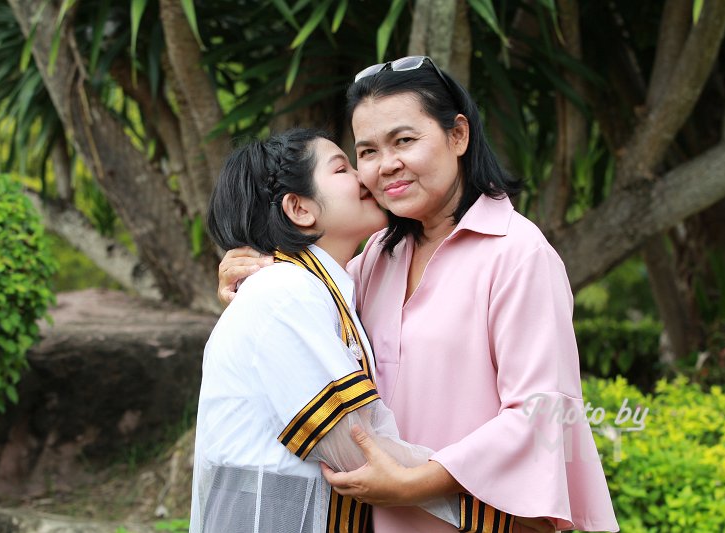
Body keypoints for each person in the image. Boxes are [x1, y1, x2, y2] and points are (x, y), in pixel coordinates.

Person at [217, 57, 619, 533]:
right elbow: (302, 325)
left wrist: (418, 483)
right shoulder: (374, 260)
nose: (386, 165)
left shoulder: (518, 254)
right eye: (366, 151)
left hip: (478, 520)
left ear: (458, 136)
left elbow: (544, 413)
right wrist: (249, 274)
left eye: (404, 140)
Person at [190, 128, 516, 533]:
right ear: (300, 209)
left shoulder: (328, 289)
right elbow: (355, 445)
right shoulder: (285, 292)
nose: (367, 176)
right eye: (342, 168)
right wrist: (497, 513)